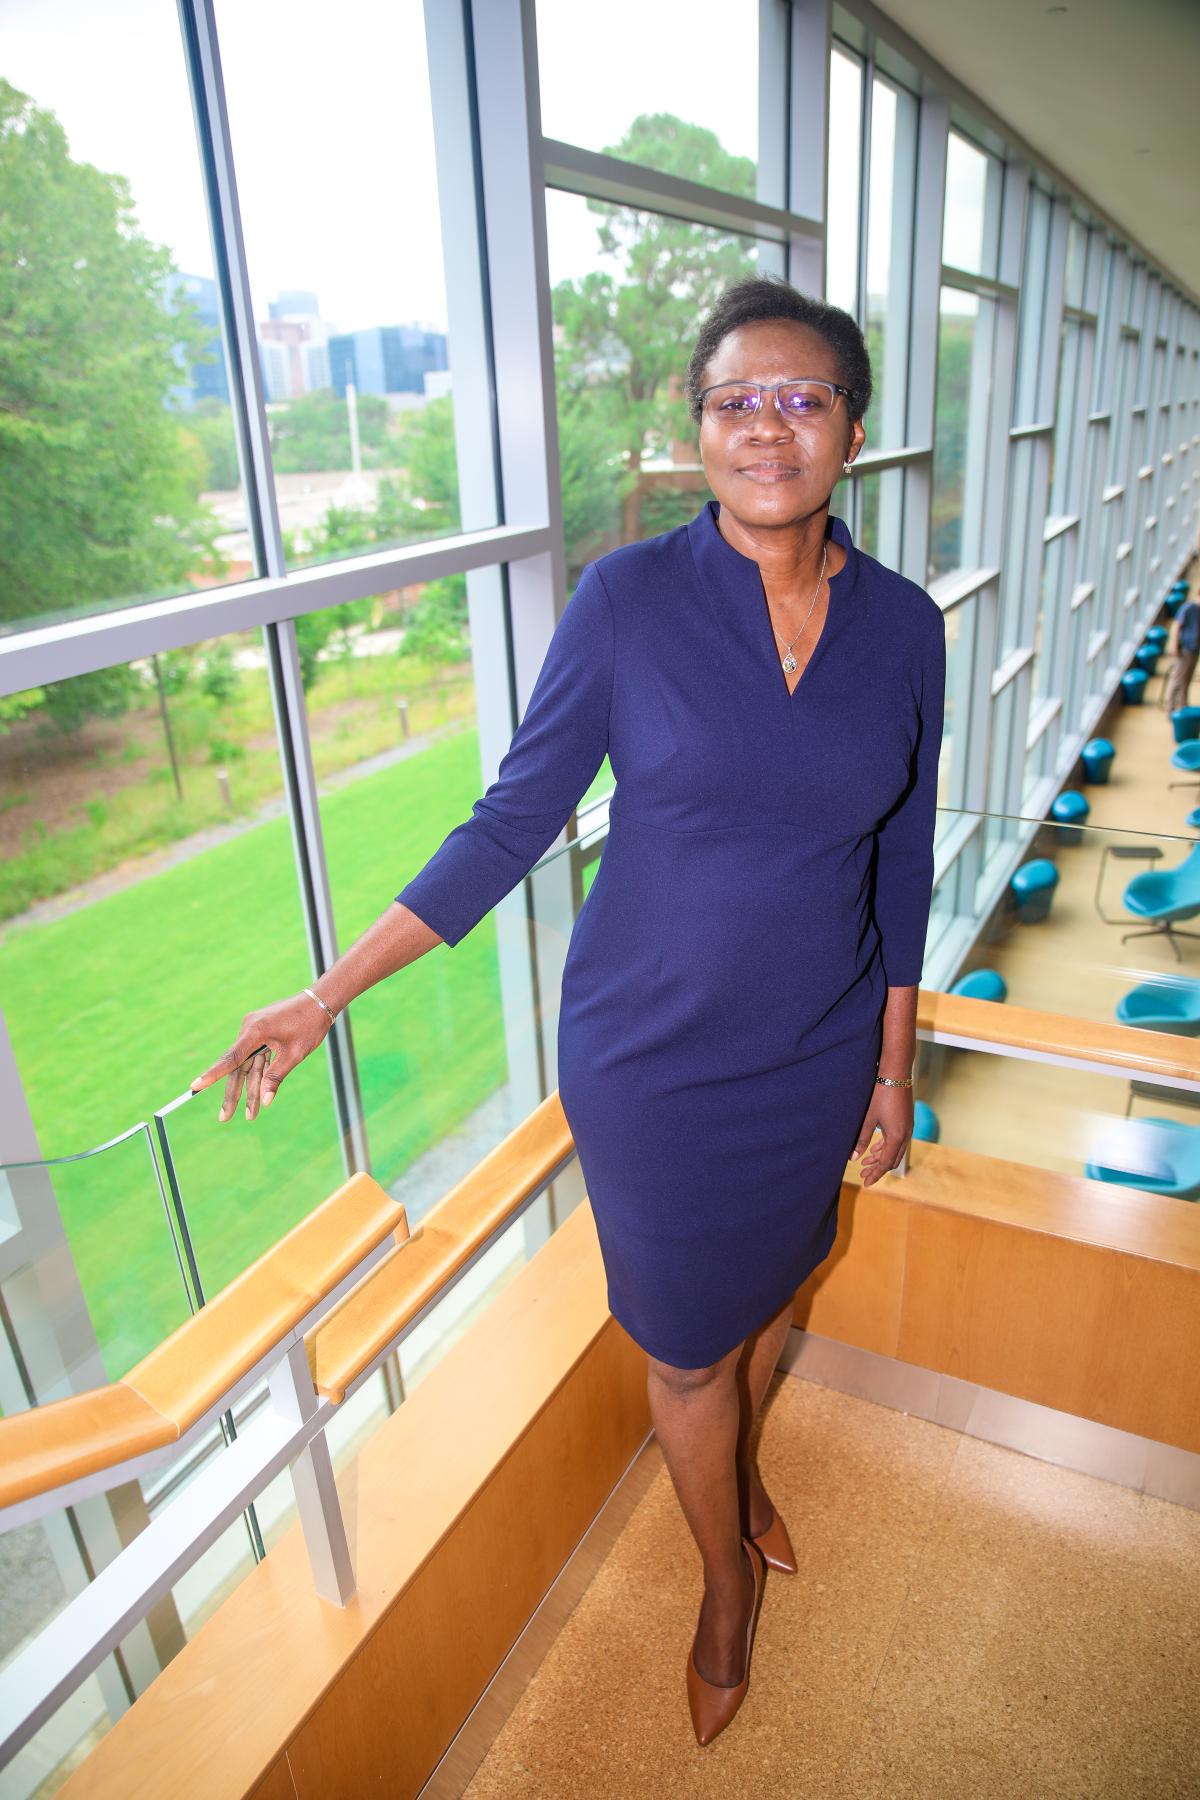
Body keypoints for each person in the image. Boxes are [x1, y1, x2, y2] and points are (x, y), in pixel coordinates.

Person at [192, 275, 946, 1749]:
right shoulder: (630, 602)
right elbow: (509, 822)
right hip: (654, 1063)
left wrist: (892, 1057)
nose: (768, 428)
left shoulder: (905, 627)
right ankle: (724, 1587)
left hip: (817, 1049)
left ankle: (731, 1468)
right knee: (680, 1349)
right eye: (737, 402)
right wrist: (331, 990)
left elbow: (903, 850)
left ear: (853, 428)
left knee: (764, 1297)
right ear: (697, 431)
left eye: (803, 398)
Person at [1163, 586, 1200, 714]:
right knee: (1178, 678)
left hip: (1194, 649)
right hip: (1185, 649)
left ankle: (1183, 704)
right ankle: (1171, 706)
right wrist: (1173, 646)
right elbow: (1176, 626)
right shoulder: (1188, 607)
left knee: (1187, 678)